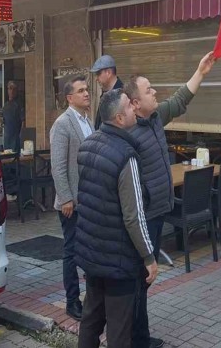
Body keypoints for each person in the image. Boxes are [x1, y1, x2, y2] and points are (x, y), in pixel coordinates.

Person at [124, 51, 216, 348]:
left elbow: (179, 100)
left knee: (144, 279)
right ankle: (136, 339)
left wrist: (200, 71)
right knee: (142, 277)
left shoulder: (155, 118)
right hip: (145, 215)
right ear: (135, 103)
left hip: (160, 210)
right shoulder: (127, 132)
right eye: (149, 89)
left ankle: (137, 335)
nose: (155, 92)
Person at [75, 89, 159, 348]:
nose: (135, 108)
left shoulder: (88, 145)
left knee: (91, 319)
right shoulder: (126, 156)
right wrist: (149, 257)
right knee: (120, 330)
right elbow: (133, 217)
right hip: (119, 261)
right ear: (120, 119)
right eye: (130, 107)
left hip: (93, 254)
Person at [49, 75, 93, 321]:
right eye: (81, 90)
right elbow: (58, 166)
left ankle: (91, 298)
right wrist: (66, 197)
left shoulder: (88, 121)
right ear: (69, 97)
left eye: (87, 90)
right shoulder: (63, 124)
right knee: (72, 251)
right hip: (71, 203)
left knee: (87, 250)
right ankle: (72, 301)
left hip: (89, 200)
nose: (86, 94)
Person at [90, 54, 124, 130]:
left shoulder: (123, 95)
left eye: (98, 74)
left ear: (108, 72)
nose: (96, 79)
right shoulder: (105, 94)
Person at [2, 81, 24, 152]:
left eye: (14, 89)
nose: (12, 91)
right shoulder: (5, 105)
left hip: (15, 139)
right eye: (10, 88)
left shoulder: (18, 105)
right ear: (7, 90)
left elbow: (23, 121)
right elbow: (3, 121)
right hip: (6, 138)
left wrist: (20, 136)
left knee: (14, 159)